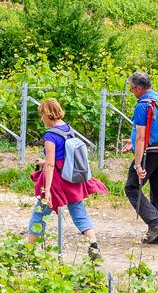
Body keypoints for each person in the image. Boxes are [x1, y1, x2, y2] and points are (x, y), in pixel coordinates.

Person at [27, 97, 104, 261]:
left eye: (42, 115)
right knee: (79, 212)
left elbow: (50, 165)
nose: (41, 119)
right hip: (72, 176)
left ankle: (27, 250)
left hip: (57, 180)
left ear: (48, 114)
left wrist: (46, 190)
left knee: (40, 214)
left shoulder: (50, 135)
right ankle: (94, 244)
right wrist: (46, 161)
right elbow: (62, 155)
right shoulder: (68, 129)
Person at [124, 71, 158, 245]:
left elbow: (141, 137)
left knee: (132, 188)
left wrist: (138, 164)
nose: (132, 92)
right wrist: (131, 142)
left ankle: (155, 224)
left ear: (139, 88)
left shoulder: (143, 105)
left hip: (149, 154)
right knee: (157, 190)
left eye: (132, 89)